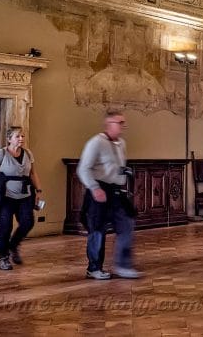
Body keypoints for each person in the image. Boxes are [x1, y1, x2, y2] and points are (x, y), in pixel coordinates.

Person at [77, 109, 141, 280]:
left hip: (116, 192)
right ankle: (94, 268)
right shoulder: (96, 143)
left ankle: (123, 265)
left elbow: (114, 166)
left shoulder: (121, 144)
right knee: (97, 230)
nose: (123, 126)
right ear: (109, 124)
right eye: (120, 122)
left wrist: (124, 172)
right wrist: (94, 187)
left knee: (126, 224)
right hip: (99, 191)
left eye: (123, 123)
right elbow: (83, 169)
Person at [0, 126, 42, 270]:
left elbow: (33, 174)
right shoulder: (0, 154)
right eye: (17, 136)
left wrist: (38, 190)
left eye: (22, 136)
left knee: (28, 222)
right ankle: (3, 258)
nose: (21, 139)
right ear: (9, 139)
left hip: (25, 195)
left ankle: (13, 245)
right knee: (5, 226)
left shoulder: (28, 153)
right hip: (5, 196)